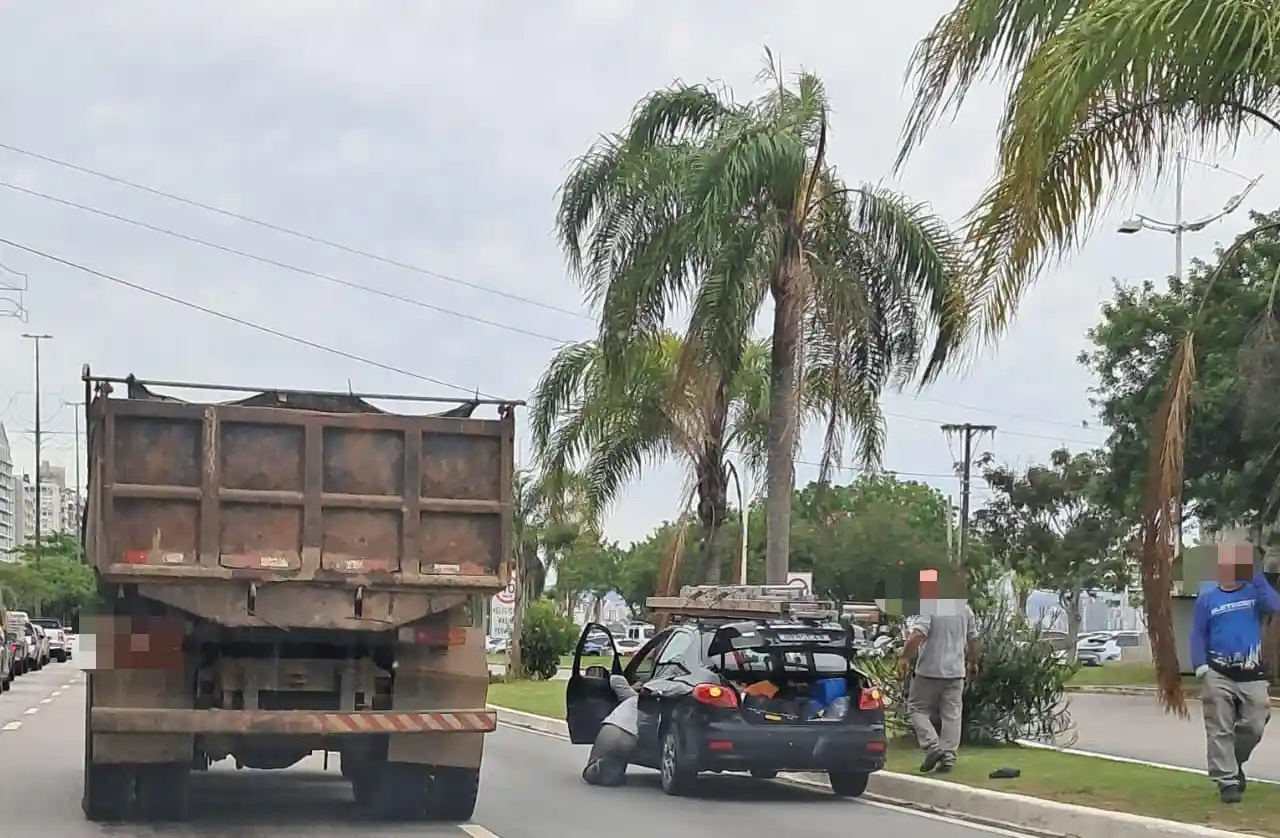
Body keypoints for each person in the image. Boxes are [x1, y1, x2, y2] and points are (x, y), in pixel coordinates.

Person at [1191, 544, 1280, 804]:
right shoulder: (1207, 598)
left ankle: (1234, 761)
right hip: (1217, 672)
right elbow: (1198, 633)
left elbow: (1276, 606)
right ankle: (1227, 782)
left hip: (1252, 673)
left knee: (1254, 725)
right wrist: (1201, 667)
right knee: (1218, 727)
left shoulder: (1255, 593)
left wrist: (1257, 576)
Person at [898, 567, 978, 774]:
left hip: (929, 670)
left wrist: (905, 657)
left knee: (916, 708)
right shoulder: (965, 610)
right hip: (955, 672)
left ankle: (933, 746)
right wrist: (973, 662)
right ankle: (948, 757)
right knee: (952, 715)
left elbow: (917, 635)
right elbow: (973, 639)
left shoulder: (930, 607)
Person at [581, 674, 639, 786]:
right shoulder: (643, 701)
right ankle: (612, 770)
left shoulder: (632, 698)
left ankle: (602, 767)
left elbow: (616, 679)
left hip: (612, 729)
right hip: (633, 736)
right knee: (618, 760)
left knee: (589, 771)